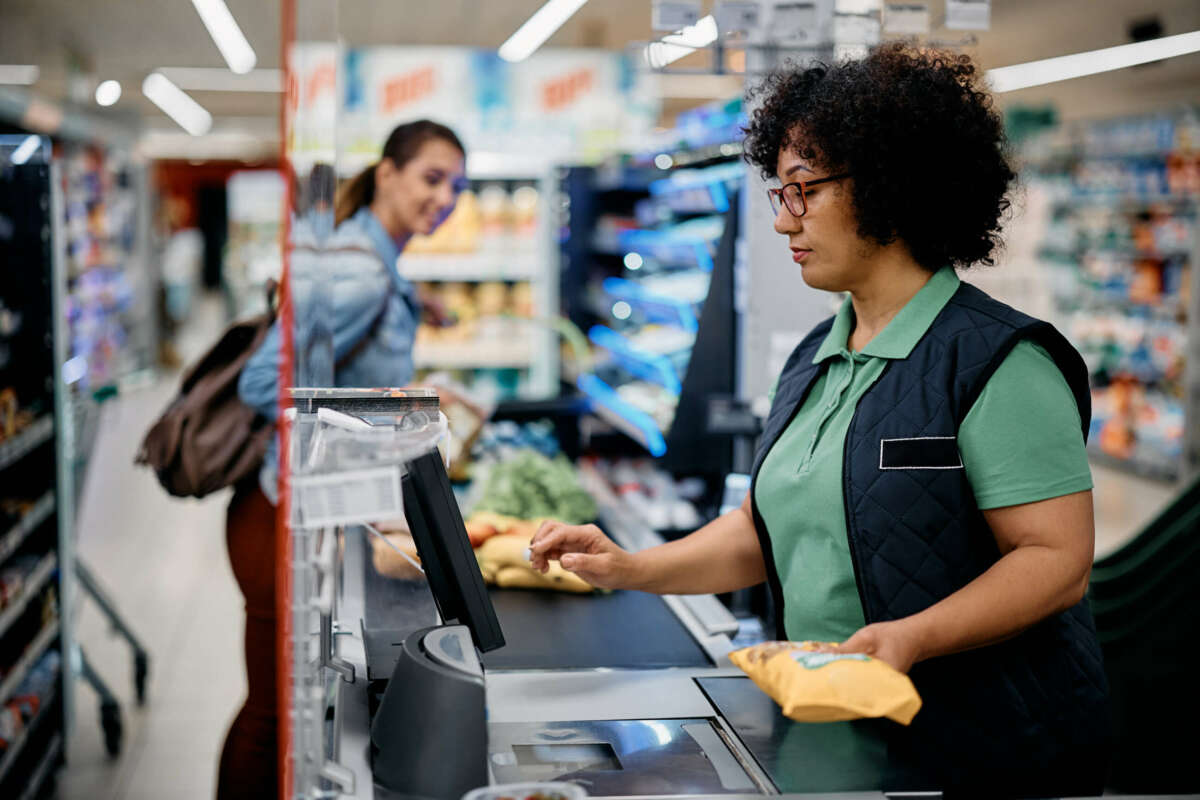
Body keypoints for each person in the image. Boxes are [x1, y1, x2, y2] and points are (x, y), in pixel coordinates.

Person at [530, 44, 1109, 797]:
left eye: (804, 190)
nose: (782, 221)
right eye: (780, 192)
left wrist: (913, 638)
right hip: (840, 742)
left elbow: (1055, 560)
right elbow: (768, 529)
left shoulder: (998, 362)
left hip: (982, 753)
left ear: (890, 187)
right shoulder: (818, 354)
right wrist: (634, 567)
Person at [219, 120, 466, 800]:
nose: (445, 199)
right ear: (386, 173)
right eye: (432, 178)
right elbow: (263, 386)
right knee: (270, 719)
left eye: (457, 187)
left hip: (300, 510)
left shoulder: (371, 256)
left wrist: (420, 311)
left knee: (286, 712)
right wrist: (400, 406)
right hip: (276, 516)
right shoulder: (360, 270)